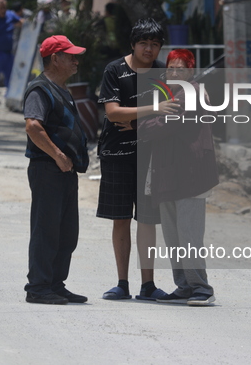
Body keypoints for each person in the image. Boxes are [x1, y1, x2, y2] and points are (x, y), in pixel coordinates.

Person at [96, 18, 179, 301]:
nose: (149, 49)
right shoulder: (114, 70)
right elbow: (113, 113)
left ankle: (148, 285)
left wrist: (139, 117)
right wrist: (153, 108)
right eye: (143, 43)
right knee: (120, 219)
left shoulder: (163, 74)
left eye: (155, 44)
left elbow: (171, 113)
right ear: (133, 44)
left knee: (147, 220)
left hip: (151, 157)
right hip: (116, 155)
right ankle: (122, 283)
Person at [138, 49, 219, 306]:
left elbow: (160, 126)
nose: (174, 73)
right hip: (169, 175)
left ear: (191, 72)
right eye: (171, 68)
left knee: (189, 235)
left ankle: (201, 288)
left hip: (190, 176)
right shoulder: (168, 94)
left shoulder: (192, 93)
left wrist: (146, 121)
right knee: (174, 236)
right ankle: (184, 286)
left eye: (180, 69)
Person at [23, 35, 89, 305]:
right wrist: (59, 155)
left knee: (66, 231)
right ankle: (38, 287)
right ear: (55, 59)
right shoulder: (40, 89)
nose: (76, 60)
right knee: (46, 229)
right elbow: (33, 127)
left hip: (65, 171)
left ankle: (55, 284)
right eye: (70, 55)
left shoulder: (61, 89)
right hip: (47, 168)